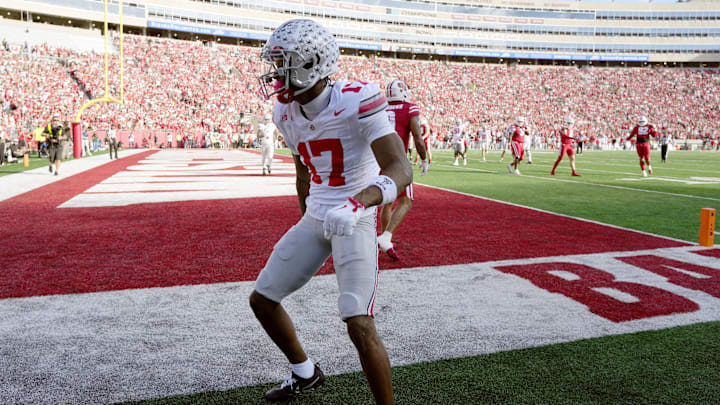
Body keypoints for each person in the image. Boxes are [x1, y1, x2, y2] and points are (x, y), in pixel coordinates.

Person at [249, 19, 410, 404]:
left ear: (312, 64)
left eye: (283, 62)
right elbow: (303, 173)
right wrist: (308, 217)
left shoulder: (358, 97)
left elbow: (400, 170)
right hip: (319, 213)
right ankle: (305, 373)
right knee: (263, 299)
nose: (275, 72)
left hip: (356, 214)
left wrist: (358, 203)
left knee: (358, 321)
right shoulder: (283, 114)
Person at [377, 79, 429, 260]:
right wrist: (424, 159)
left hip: (378, 158)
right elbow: (417, 136)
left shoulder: (381, 107)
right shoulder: (410, 108)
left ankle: (384, 236)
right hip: (397, 159)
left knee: (388, 201)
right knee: (406, 201)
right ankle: (386, 237)